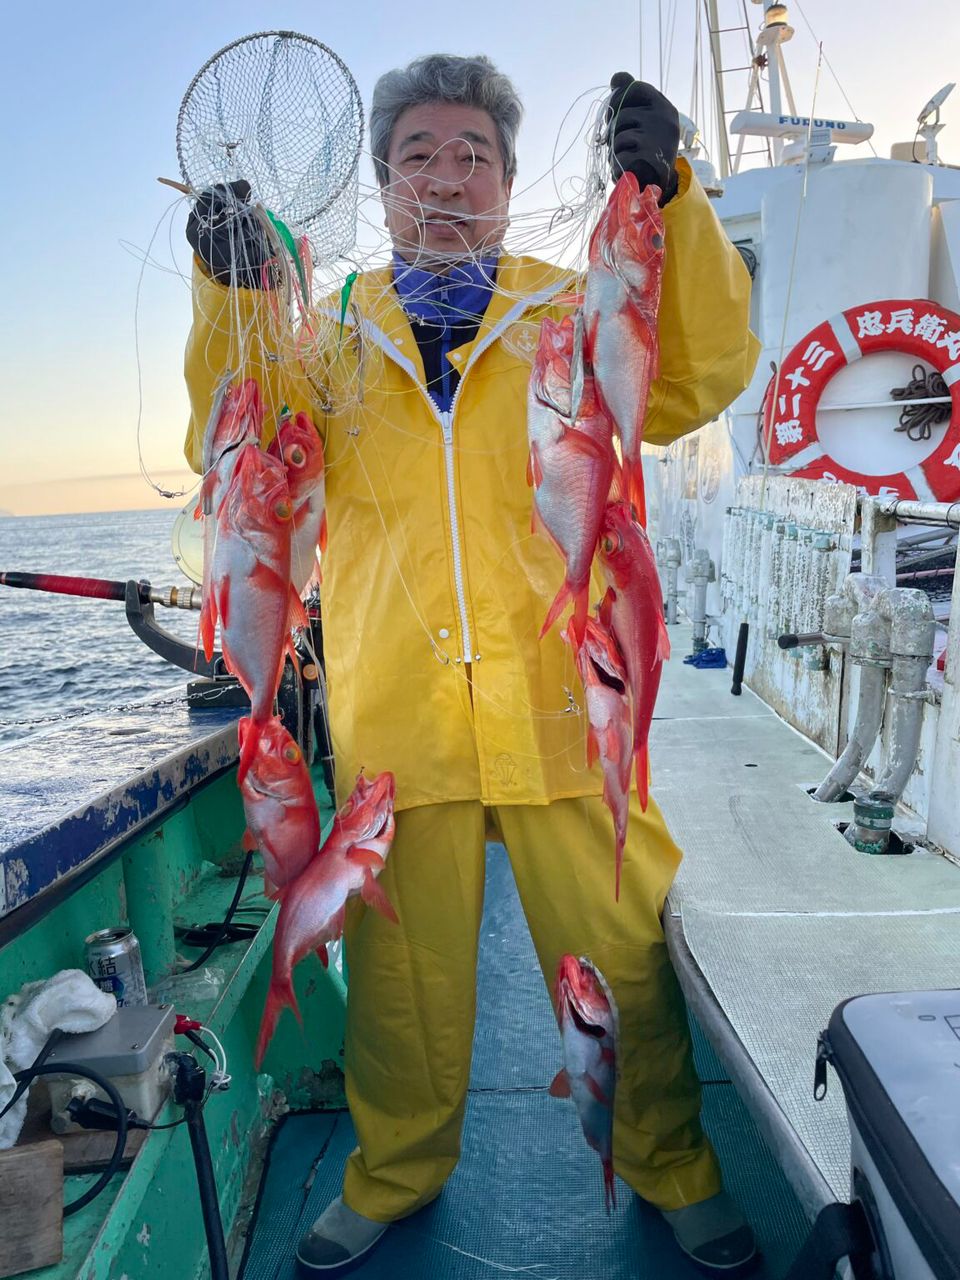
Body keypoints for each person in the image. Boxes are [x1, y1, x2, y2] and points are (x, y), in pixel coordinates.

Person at [183, 55, 760, 1275]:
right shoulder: (328, 332)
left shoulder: (573, 303)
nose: (448, 179)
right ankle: (394, 1170)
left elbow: (697, 377)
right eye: (420, 158)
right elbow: (232, 427)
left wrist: (677, 199)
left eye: (474, 157)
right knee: (403, 977)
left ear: (507, 180)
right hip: (401, 707)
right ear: (385, 186)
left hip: (566, 694)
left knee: (624, 950)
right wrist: (228, 287)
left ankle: (672, 1164)